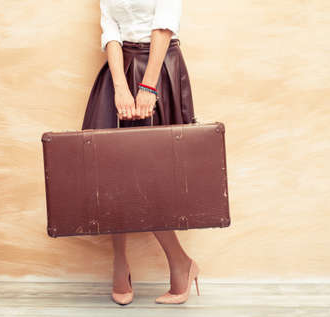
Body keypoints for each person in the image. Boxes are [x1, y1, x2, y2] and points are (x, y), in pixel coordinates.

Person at [81, 0, 200, 305]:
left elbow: (163, 26)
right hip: (119, 71)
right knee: (110, 173)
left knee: (152, 176)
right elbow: (111, 30)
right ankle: (119, 262)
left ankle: (180, 262)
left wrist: (149, 87)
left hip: (160, 70)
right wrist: (120, 86)